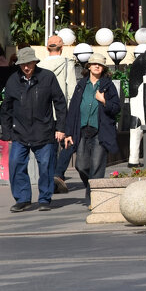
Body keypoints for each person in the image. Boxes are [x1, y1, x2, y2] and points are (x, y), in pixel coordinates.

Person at [0, 46, 68, 212]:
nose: (26, 67)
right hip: (19, 132)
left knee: (46, 166)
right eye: (22, 64)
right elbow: (6, 108)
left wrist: (60, 128)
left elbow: (60, 103)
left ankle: (44, 198)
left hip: (44, 130)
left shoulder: (47, 77)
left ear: (34, 62)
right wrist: (7, 132)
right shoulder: (13, 80)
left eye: (28, 63)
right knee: (16, 164)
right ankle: (23, 199)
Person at [60, 52, 120, 202]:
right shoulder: (81, 85)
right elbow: (73, 110)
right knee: (81, 165)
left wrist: (104, 101)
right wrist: (68, 133)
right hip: (82, 131)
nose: (97, 66)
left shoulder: (108, 85)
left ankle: (93, 198)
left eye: (99, 64)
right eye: (94, 64)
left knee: (97, 165)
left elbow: (116, 108)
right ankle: (92, 187)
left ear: (104, 68)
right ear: (89, 66)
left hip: (100, 131)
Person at [39, 35, 77, 193]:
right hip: (64, 111)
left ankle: (51, 180)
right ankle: (58, 174)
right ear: (62, 48)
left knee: (51, 146)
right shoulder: (68, 64)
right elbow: (72, 88)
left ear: (47, 49)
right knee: (70, 142)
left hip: (45, 113)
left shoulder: (39, 66)